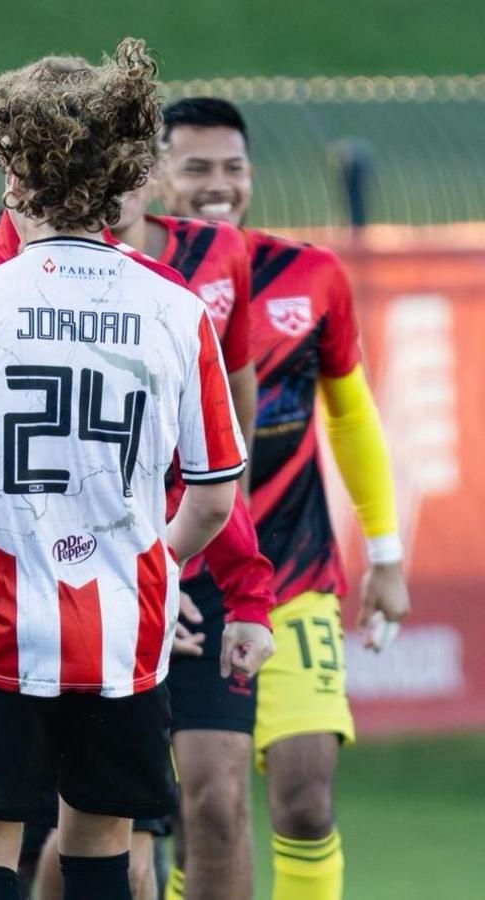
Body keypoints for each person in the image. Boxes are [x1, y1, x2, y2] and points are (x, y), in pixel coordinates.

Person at [0, 40, 274, 900]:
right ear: (124, 167)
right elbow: (212, 498)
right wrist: (156, 561)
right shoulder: (177, 309)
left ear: (15, 174)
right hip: (125, 625)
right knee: (102, 844)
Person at [157, 97, 411, 900]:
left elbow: (351, 416)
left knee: (305, 801)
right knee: (203, 811)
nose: (218, 185)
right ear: (157, 175)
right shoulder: (139, 282)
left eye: (233, 168)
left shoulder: (311, 275)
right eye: (196, 168)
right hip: (184, 581)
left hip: (295, 575)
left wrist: (386, 553)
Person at [30, 148, 269, 900]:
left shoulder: (179, 301)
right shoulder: (11, 290)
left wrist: (247, 595)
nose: (118, 190)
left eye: (130, 170)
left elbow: (214, 471)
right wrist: (136, 588)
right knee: (91, 834)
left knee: (216, 804)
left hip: (179, 577)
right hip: (78, 592)